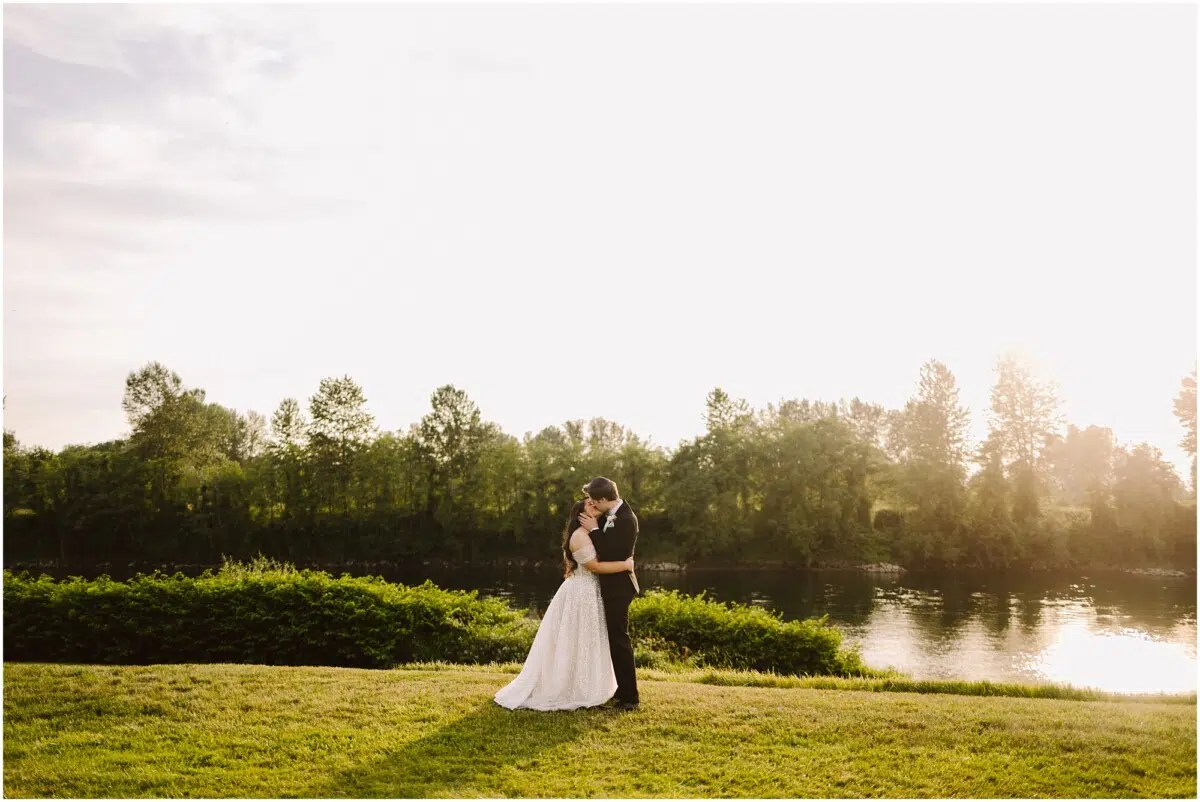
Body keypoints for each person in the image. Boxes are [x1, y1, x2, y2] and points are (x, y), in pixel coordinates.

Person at [493, 497, 635, 711]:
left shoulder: (596, 530)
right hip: (582, 594)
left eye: (596, 502)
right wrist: (625, 565)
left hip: (591, 592)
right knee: (576, 639)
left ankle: (591, 685)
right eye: (590, 504)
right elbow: (594, 567)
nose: (595, 504)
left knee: (588, 639)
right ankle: (570, 687)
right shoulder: (579, 536)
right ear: (580, 514)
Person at [578, 476, 640, 711]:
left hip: (619, 588)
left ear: (604, 499)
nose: (592, 505)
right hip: (610, 586)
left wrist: (593, 530)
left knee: (619, 640)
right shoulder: (611, 514)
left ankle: (630, 698)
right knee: (612, 641)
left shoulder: (625, 519)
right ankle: (619, 691)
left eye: (595, 501)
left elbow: (610, 553)